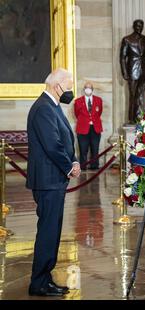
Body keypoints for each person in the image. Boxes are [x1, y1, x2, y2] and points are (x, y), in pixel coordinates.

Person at [26, 68, 81, 297]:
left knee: (52, 231)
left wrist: (74, 160)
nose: (70, 92)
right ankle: (39, 282)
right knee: (48, 232)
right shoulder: (43, 108)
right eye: (68, 87)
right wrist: (69, 166)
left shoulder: (53, 106)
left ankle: (44, 277)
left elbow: (65, 138)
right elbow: (52, 145)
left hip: (54, 179)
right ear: (56, 86)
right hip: (48, 180)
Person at [120, 19, 145, 123]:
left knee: (142, 96)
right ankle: (132, 118)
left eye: (141, 26)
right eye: (138, 26)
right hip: (132, 71)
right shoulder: (127, 39)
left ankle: (140, 117)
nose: (140, 28)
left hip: (143, 71)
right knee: (132, 95)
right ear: (134, 26)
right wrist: (125, 72)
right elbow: (122, 57)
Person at [74, 82, 103, 170]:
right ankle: (83, 166)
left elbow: (99, 112)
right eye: (86, 87)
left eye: (89, 88)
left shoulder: (98, 100)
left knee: (95, 148)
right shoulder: (78, 101)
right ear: (84, 89)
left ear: (92, 89)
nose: (88, 89)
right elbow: (76, 114)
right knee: (83, 149)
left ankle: (94, 166)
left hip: (95, 128)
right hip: (83, 128)